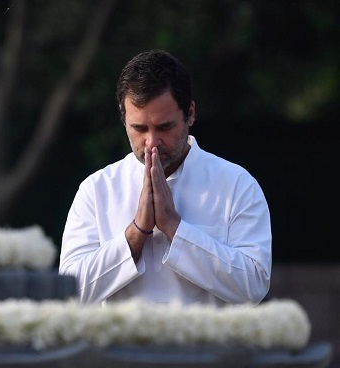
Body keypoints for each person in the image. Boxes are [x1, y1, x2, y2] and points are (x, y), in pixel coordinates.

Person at [58, 49, 271, 306]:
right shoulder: (97, 189)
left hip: (206, 346)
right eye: (139, 128)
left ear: (190, 113)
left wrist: (174, 226)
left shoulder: (236, 185)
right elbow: (69, 293)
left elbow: (254, 286)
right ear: (123, 119)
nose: (151, 142)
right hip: (120, 346)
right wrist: (136, 232)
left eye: (164, 127)